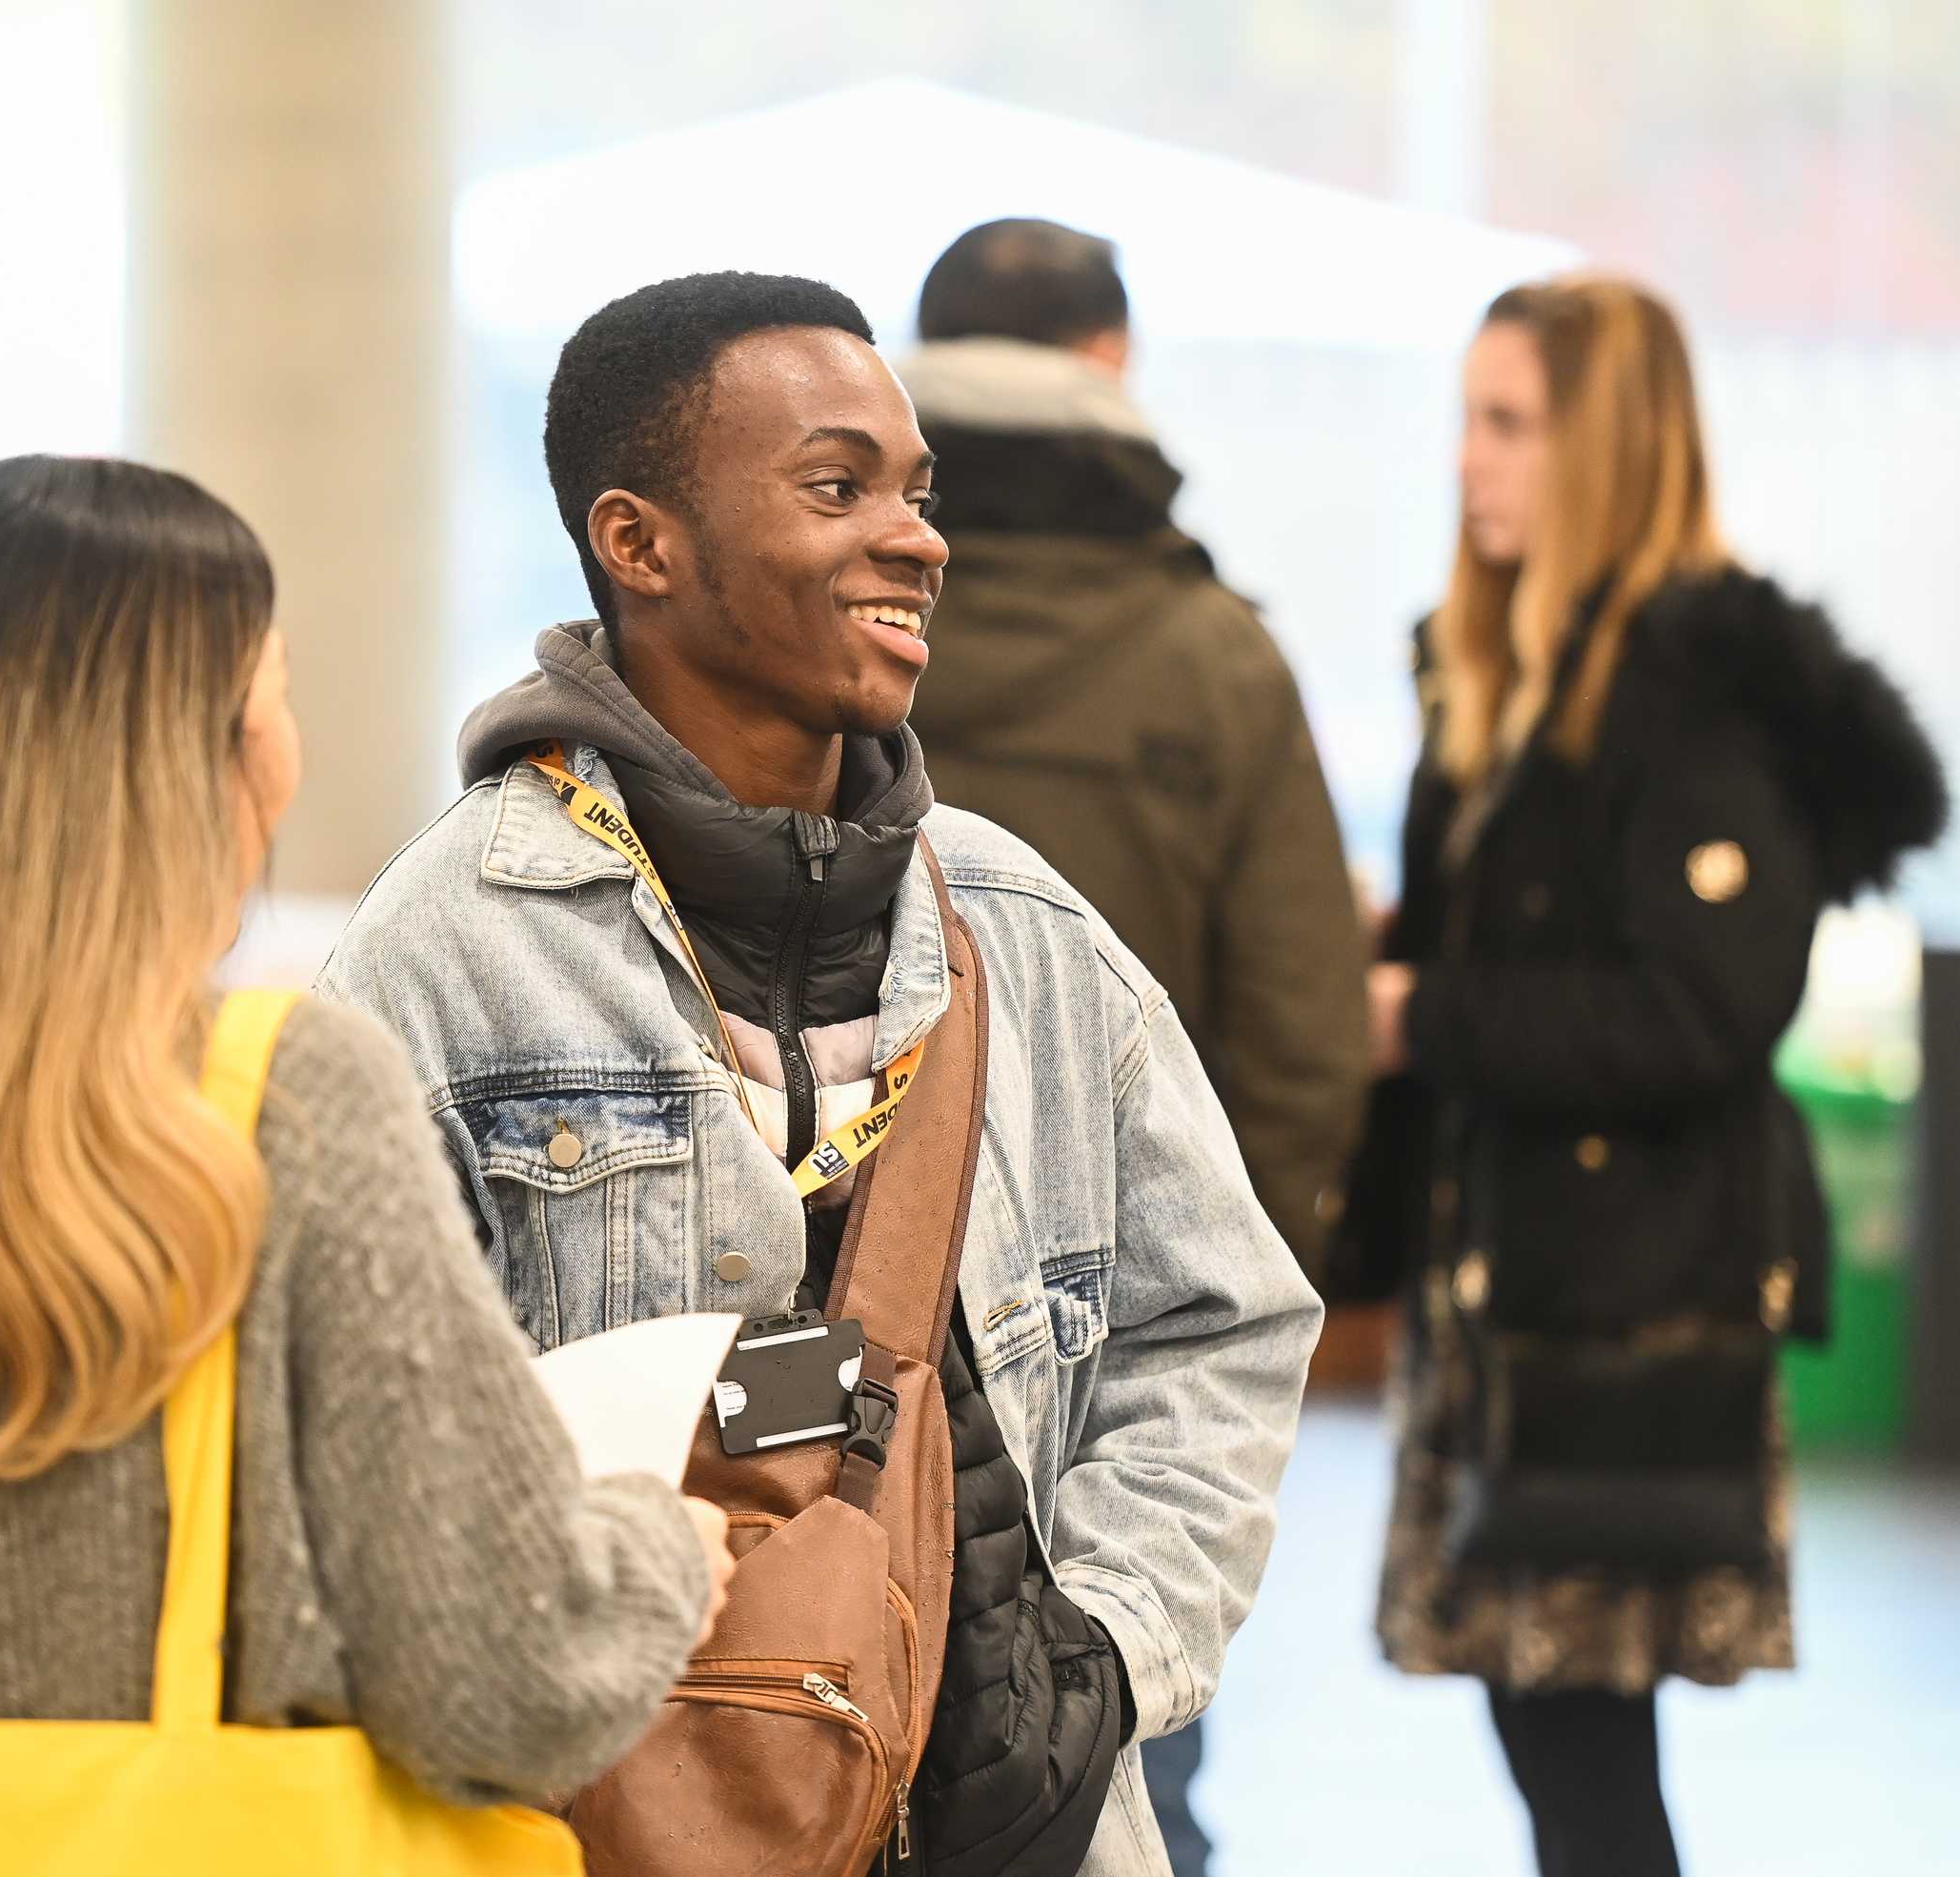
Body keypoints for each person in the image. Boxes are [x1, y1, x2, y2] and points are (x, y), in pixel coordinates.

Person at [318, 272, 1324, 1877]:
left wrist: (1113, 1655)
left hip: (1019, 1825)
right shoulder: (451, 949)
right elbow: (355, 1448)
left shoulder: (1018, 928)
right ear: (639, 543)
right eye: (835, 486)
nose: (916, 536)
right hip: (620, 1822)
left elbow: (1225, 1322)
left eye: (916, 493)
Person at [0, 454, 733, 1877]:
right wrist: (659, 1552)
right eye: (277, 686)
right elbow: (510, 1681)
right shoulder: (283, 1100)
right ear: (224, 746)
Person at [1349, 276, 1947, 1877]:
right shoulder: (1511, 671)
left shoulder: (1690, 694)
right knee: (1558, 1738)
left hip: (1622, 1298)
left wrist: (1418, 1011)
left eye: (1510, 424)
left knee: (1579, 1748)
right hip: (1528, 1276)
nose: (1469, 461)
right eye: (1467, 417)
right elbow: (1558, 931)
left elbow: (1699, 1010)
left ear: (1605, 445)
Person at [899, 219, 1369, 1877]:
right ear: (1109, 369)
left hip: (824, 1342)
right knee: (1131, 1759)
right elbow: (1308, 1029)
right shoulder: (1214, 656)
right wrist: (1212, 1304)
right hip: (1113, 1351)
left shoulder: (803, 636)